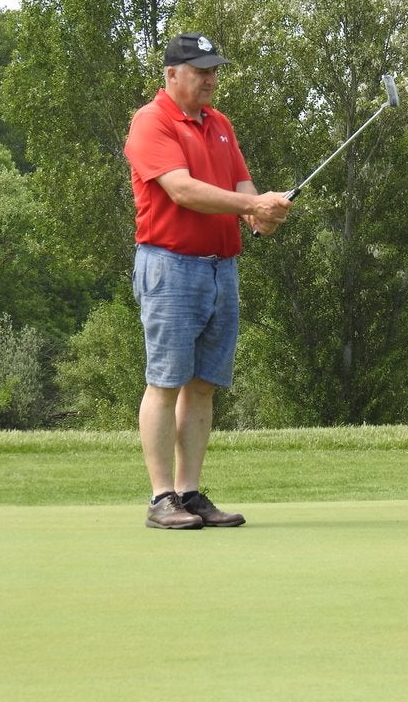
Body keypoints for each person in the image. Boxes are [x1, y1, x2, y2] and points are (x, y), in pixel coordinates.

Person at [124, 32, 292, 529]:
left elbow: (240, 183)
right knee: (165, 382)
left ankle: (190, 493)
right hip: (170, 264)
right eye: (201, 71)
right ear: (172, 75)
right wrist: (249, 206)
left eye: (214, 70)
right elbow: (182, 190)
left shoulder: (219, 124)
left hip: (221, 266)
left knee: (202, 386)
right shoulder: (151, 122)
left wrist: (260, 212)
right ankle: (161, 499)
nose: (211, 79)